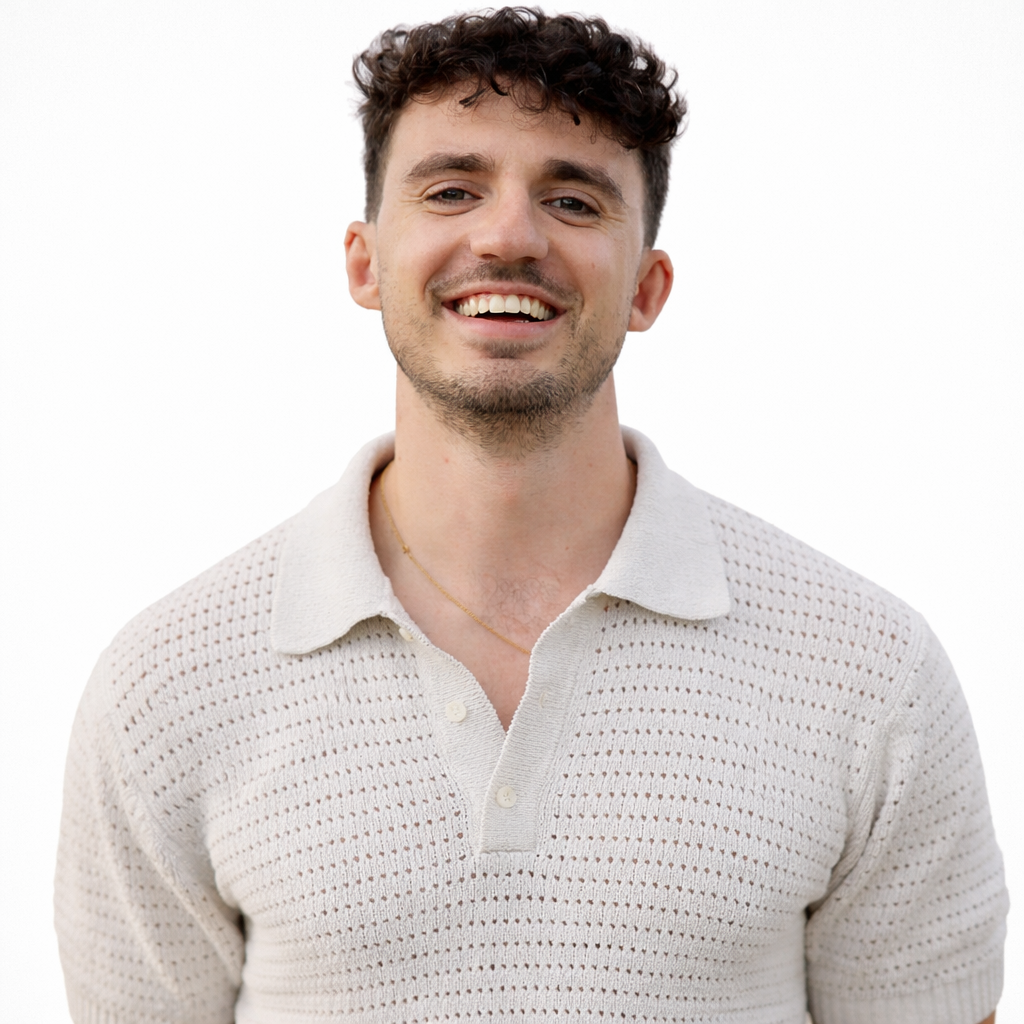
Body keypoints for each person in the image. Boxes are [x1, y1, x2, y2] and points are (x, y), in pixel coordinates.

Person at [54, 9, 1006, 1023]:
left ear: (646, 288)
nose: (508, 236)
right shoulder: (166, 688)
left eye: (572, 199)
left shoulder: (868, 671)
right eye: (451, 190)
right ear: (364, 262)